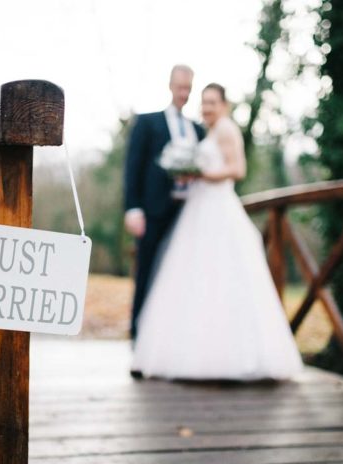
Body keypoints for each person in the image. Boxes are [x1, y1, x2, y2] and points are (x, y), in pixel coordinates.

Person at [131, 83, 303, 381]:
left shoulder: (226, 129)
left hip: (219, 207)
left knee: (222, 275)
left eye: (212, 102)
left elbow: (238, 170)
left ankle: (229, 356)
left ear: (225, 105)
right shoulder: (208, 132)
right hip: (199, 208)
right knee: (193, 278)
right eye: (204, 102)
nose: (207, 107)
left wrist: (201, 174)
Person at [124, 65, 205, 340]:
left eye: (188, 88)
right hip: (153, 211)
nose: (184, 93)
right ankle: (138, 332)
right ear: (170, 86)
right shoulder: (148, 122)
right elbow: (133, 167)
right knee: (147, 271)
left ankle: (173, 334)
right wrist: (133, 208)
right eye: (180, 87)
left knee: (180, 273)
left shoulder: (197, 130)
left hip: (187, 212)